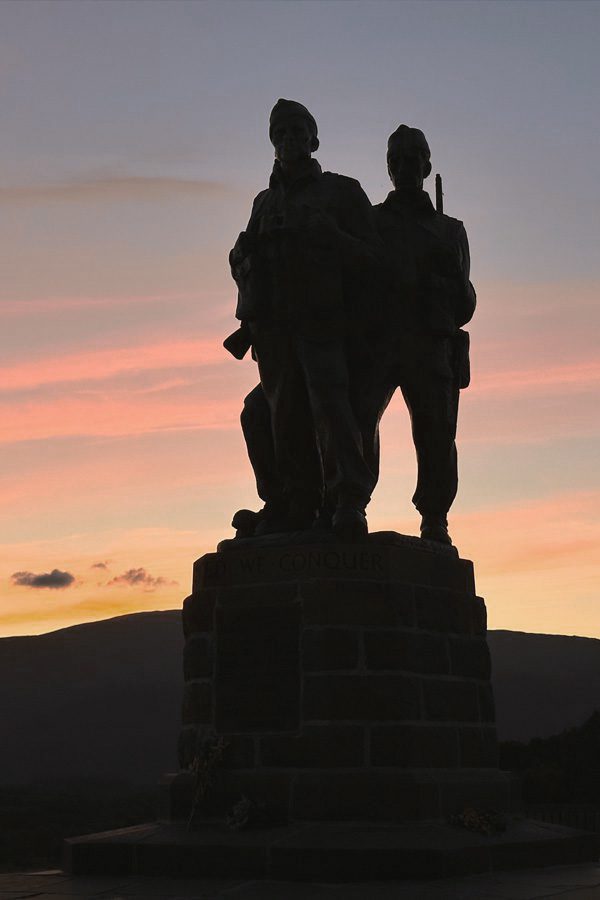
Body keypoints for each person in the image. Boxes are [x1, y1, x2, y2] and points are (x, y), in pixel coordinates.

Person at [226, 99, 379, 540]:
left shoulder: (341, 192)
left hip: (327, 324)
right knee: (276, 414)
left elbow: (375, 260)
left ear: (314, 139)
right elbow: (245, 264)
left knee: (331, 406)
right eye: (281, 133)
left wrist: (333, 239)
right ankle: (292, 503)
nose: (289, 140)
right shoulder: (263, 202)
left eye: (297, 131)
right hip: (274, 330)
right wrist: (240, 259)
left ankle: (348, 500)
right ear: (273, 144)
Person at [354, 124, 476, 544]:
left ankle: (435, 517)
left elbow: (467, 306)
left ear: (426, 165)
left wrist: (450, 275)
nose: (404, 166)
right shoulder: (369, 220)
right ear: (388, 167)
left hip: (430, 343)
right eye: (396, 160)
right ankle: (352, 504)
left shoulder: (450, 230)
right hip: (378, 342)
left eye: (412, 159)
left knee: (436, 434)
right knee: (358, 422)